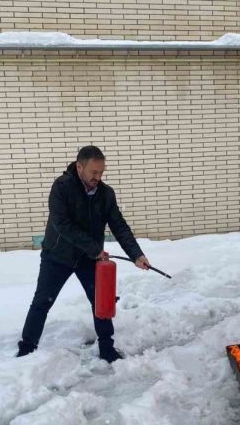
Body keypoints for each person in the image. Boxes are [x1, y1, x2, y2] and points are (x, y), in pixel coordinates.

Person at [17, 145, 150, 362]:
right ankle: (27, 348)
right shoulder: (62, 187)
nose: (98, 177)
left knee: (101, 303)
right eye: (93, 172)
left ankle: (107, 348)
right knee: (42, 301)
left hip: (88, 259)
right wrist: (95, 248)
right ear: (79, 167)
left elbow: (119, 226)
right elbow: (62, 224)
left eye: (101, 172)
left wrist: (136, 254)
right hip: (57, 257)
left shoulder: (106, 194)